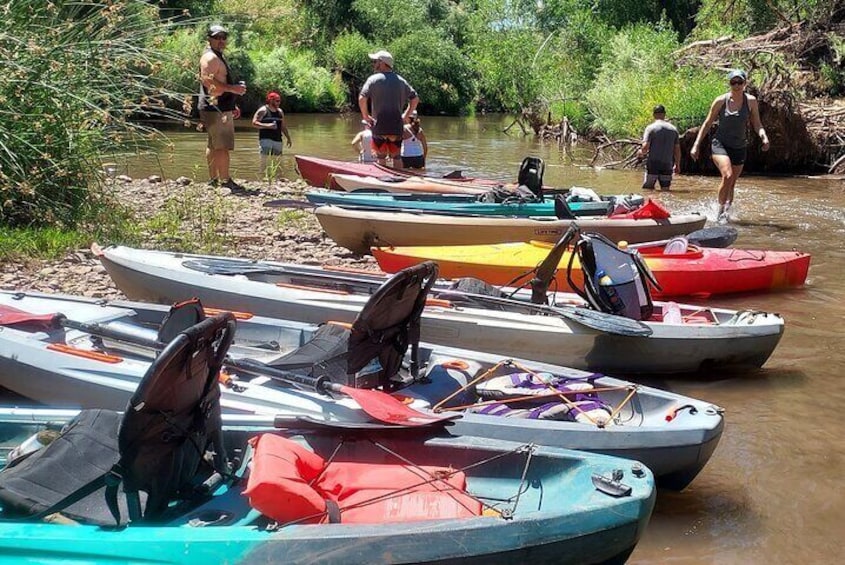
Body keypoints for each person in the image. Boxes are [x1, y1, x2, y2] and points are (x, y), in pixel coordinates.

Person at [690, 69, 770, 223]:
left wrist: (764, 137)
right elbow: (707, 123)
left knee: (732, 183)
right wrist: (696, 145)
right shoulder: (721, 101)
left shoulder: (751, 101)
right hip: (720, 144)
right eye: (734, 82)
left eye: (740, 82)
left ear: (745, 83)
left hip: (739, 146)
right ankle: (719, 212)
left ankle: (727, 211)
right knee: (727, 175)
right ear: (729, 84)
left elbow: (757, 123)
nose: (737, 85)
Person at [198, 24, 248, 193]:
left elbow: (216, 81)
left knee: (213, 144)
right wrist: (233, 89)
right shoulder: (210, 58)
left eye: (223, 37)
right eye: (217, 37)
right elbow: (208, 82)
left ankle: (214, 180)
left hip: (218, 106)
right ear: (209, 39)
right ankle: (225, 181)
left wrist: (232, 103)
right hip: (216, 108)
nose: (221, 40)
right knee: (223, 146)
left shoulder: (216, 56)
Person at [359, 50, 419, 168]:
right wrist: (406, 116)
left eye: (375, 61)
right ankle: (399, 180)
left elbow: (362, 98)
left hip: (379, 125)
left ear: (382, 63)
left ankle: (383, 180)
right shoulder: (402, 81)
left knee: (381, 156)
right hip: (396, 126)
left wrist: (366, 116)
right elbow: (415, 99)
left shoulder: (372, 79)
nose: (373, 64)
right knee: (396, 156)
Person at [638, 105, 680, 191]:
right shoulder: (673, 129)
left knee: (647, 189)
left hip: (653, 164)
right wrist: (677, 165)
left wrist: (640, 153)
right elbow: (677, 150)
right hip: (667, 164)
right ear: (664, 114)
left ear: (654, 115)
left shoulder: (650, 128)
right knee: (665, 190)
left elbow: (645, 147)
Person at [252, 91, 292, 179]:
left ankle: (278, 178)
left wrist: (288, 137)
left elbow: (283, 126)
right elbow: (254, 123)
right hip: (265, 139)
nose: (279, 103)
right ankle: (262, 178)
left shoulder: (280, 112)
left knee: (278, 161)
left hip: (278, 140)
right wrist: (268, 126)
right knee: (264, 160)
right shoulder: (263, 110)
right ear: (270, 100)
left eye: (279, 101)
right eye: (277, 101)